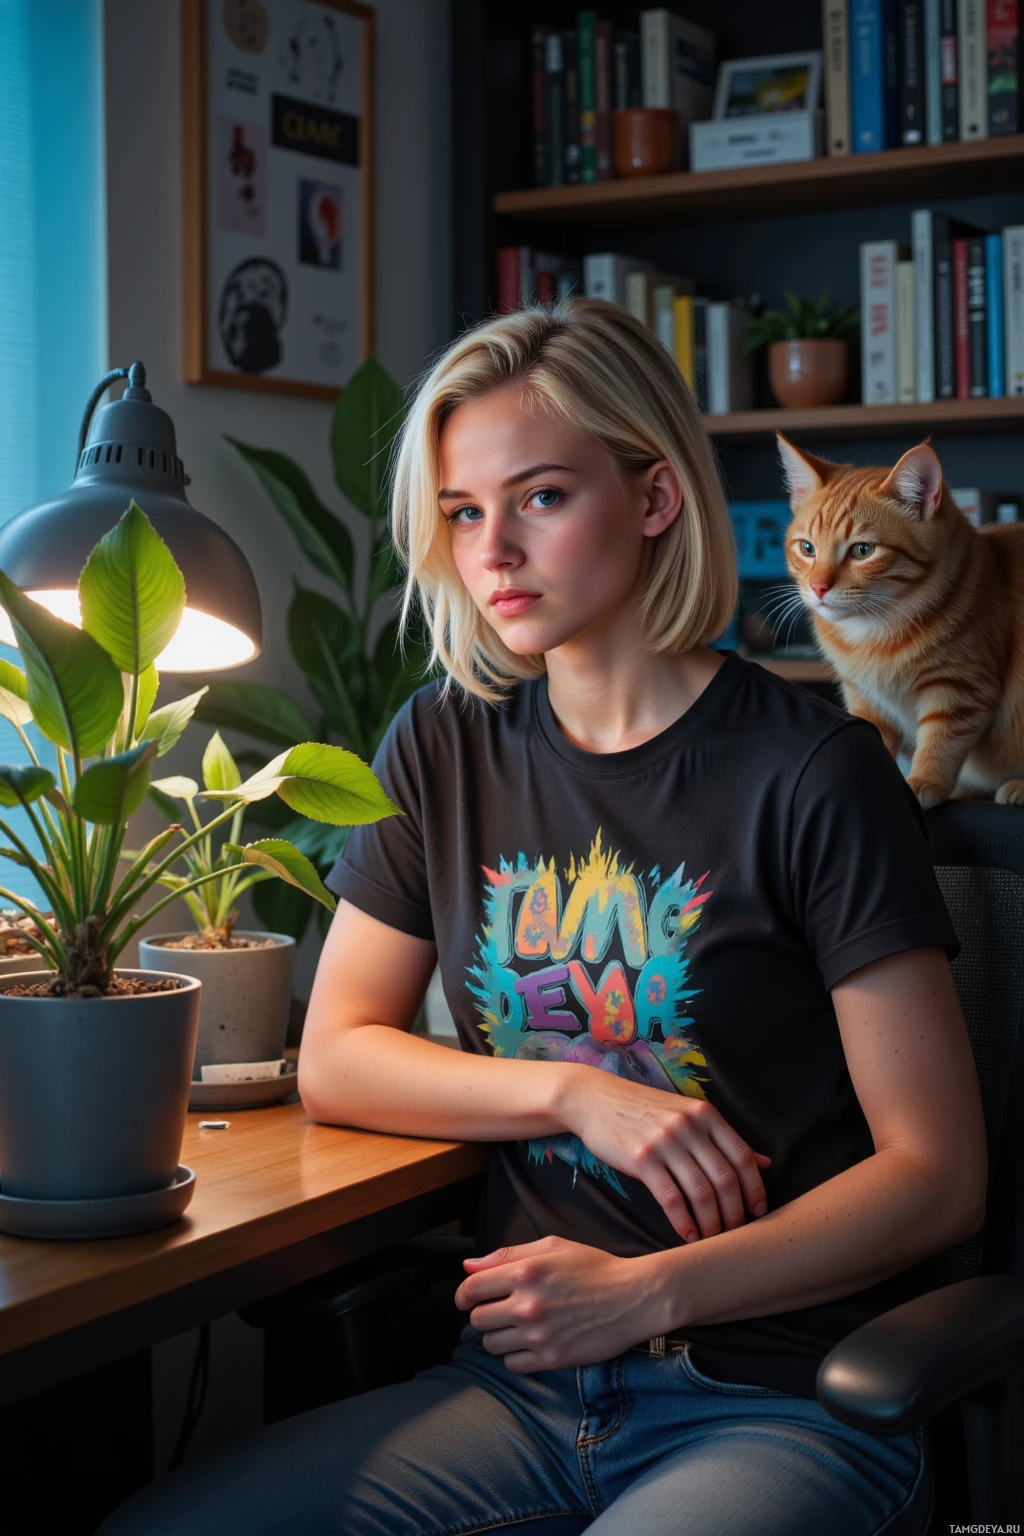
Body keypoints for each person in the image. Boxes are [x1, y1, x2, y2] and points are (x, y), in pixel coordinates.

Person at [104, 298, 986, 1535]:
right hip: (519, 1394)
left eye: (541, 498)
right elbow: (340, 1055)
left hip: (779, 1396)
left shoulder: (814, 771)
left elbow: (939, 1178)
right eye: (464, 513)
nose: (492, 553)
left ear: (655, 499)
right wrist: (577, 1094)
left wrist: (645, 1295)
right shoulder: (441, 741)